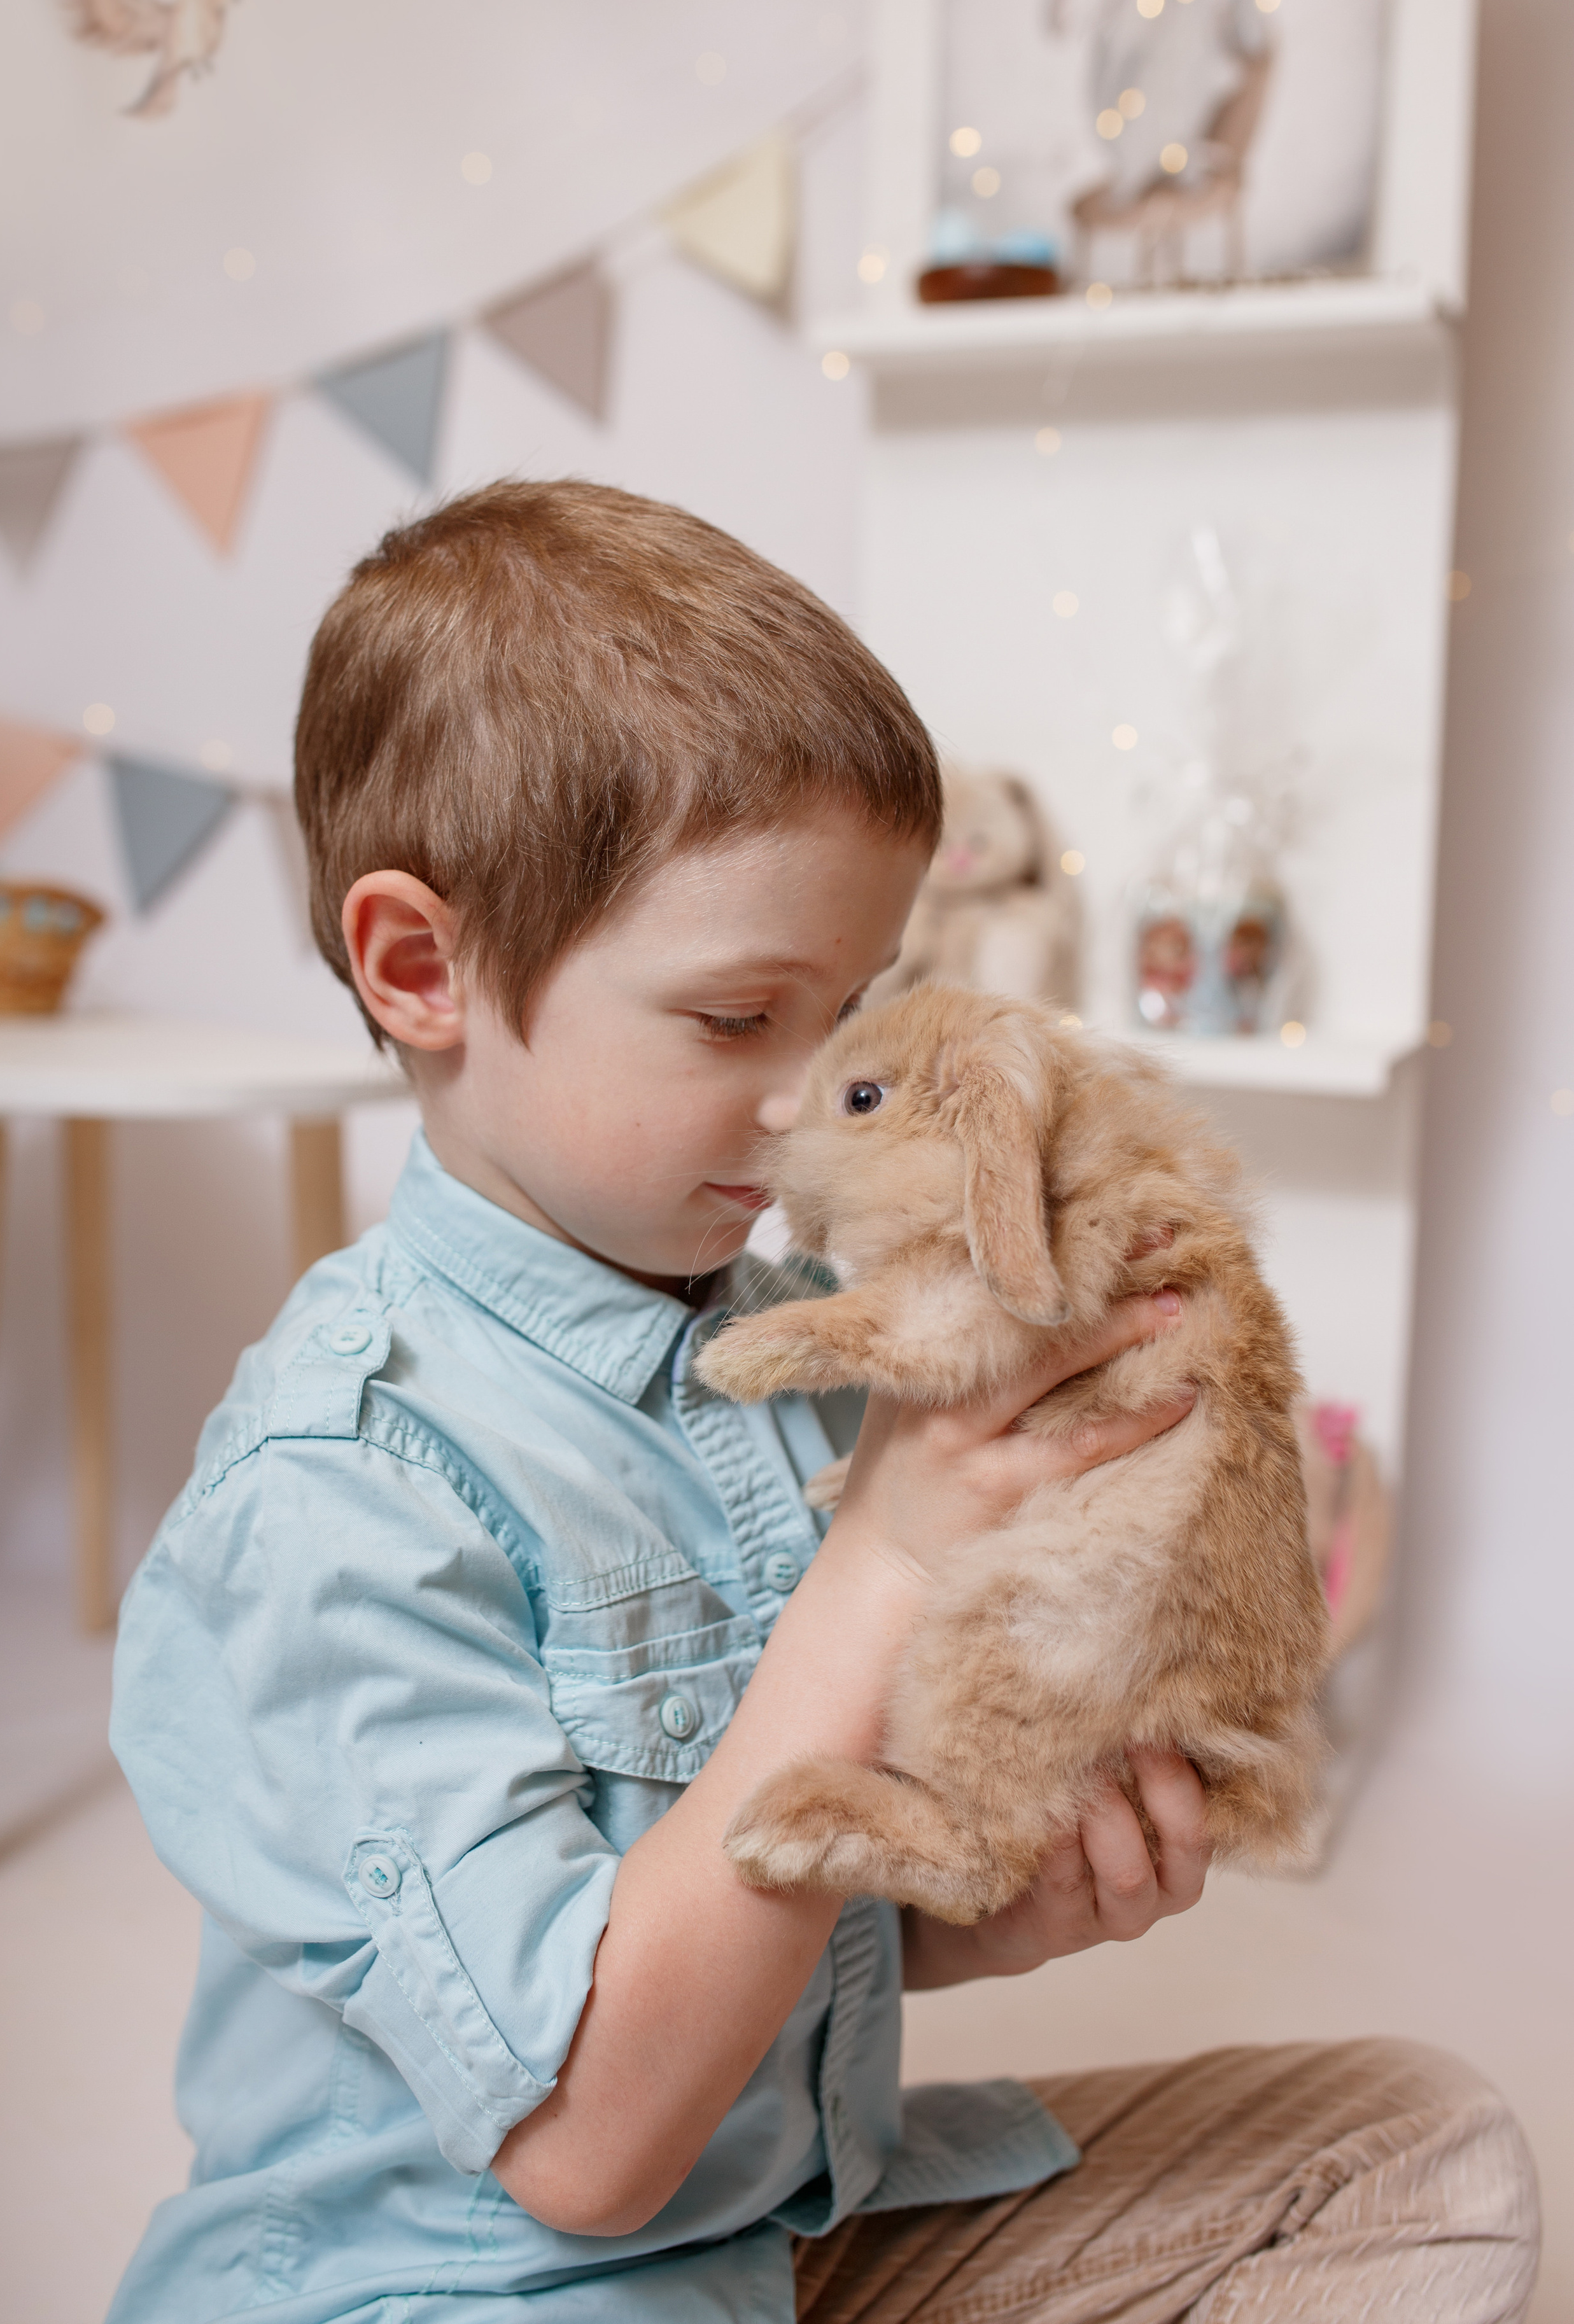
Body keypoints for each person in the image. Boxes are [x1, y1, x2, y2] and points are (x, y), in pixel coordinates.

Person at [108, 482, 1539, 2323]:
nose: (808, 1105)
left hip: (785, 2236)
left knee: (1418, 2152)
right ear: (421, 967)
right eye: (734, 1021)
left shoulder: (802, 1335)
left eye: (853, 1013)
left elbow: (790, 1935)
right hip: (478, 2290)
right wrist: (877, 1565)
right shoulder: (337, 1496)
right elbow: (593, 2146)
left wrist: (989, 1916)